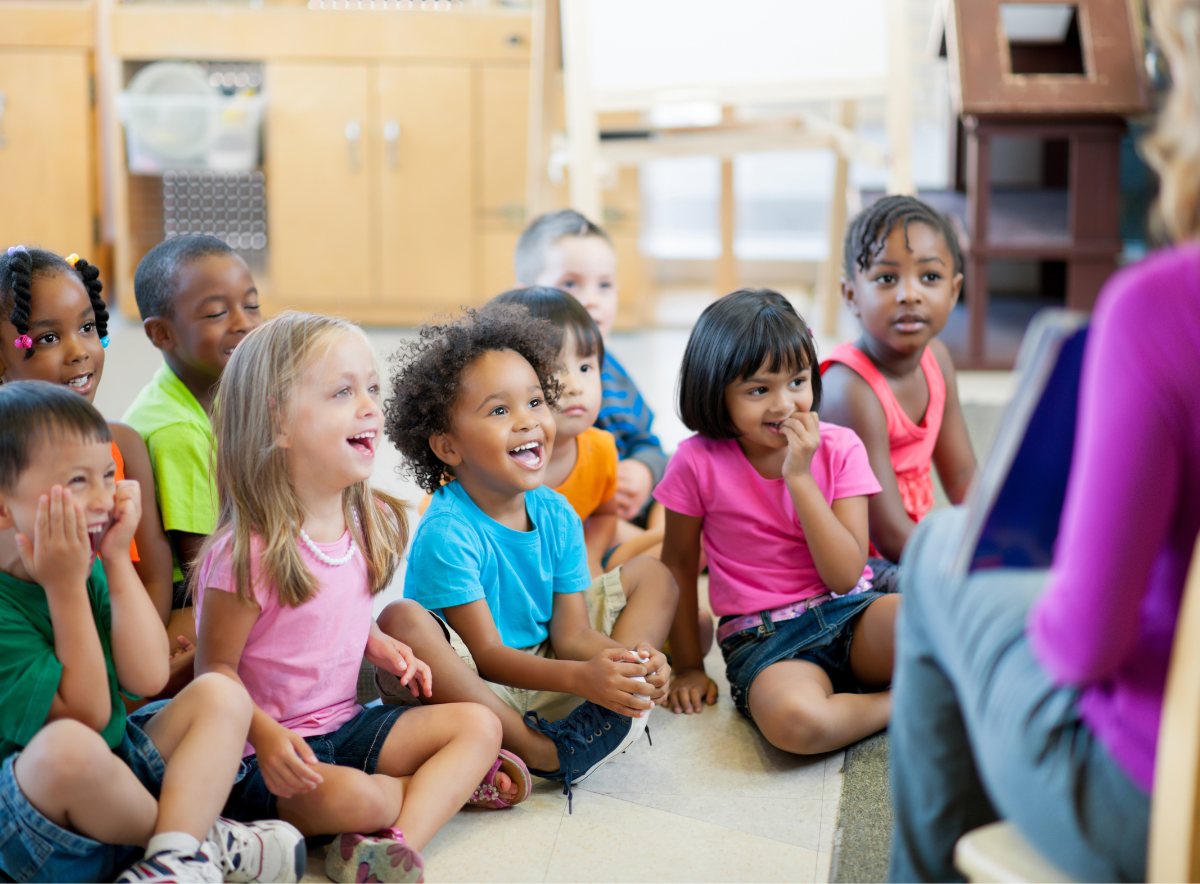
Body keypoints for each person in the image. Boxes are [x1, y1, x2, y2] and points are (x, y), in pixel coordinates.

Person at [887, 1, 1200, 879]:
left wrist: (1063, 575)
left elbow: (1082, 643)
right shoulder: (860, 386)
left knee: (945, 553)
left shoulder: (1162, 310)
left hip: (1161, 804)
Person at [193, 312, 520, 884]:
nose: (370, 406)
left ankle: (392, 846)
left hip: (344, 725)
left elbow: (336, 614)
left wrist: (380, 644)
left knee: (477, 725)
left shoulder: (361, 523)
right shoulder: (245, 553)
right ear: (278, 422)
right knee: (359, 801)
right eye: (343, 392)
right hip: (265, 754)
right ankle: (429, 794)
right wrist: (267, 739)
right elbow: (213, 673)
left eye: (371, 388)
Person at [0, 381, 305, 884]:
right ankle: (196, 841)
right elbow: (87, 716)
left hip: (116, 780)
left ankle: (173, 856)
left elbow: (144, 677)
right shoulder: (40, 588)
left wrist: (117, 560)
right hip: (33, 827)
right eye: (78, 482)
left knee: (222, 693)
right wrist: (65, 589)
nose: (105, 497)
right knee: (67, 748)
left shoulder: (86, 562)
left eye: (107, 474)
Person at [376, 303, 678, 810]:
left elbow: (571, 634)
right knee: (401, 619)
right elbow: (490, 659)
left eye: (536, 402)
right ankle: (534, 748)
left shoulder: (555, 511)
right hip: (480, 687)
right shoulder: (447, 530)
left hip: (547, 666)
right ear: (448, 447)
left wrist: (625, 664)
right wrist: (583, 677)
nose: (528, 422)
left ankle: (615, 701)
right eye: (499, 410)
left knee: (655, 576)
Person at [656, 289, 897, 753]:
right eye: (758, 389)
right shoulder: (694, 462)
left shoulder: (841, 446)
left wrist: (800, 478)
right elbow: (679, 566)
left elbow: (846, 576)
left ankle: (874, 692)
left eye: (797, 382)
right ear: (715, 391)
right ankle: (902, 703)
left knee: (938, 625)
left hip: (851, 611)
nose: (784, 405)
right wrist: (688, 665)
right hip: (764, 640)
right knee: (797, 724)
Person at [0, 247, 180, 674]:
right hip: (38, 657)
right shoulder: (10, 464)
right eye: (47, 338)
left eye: (87, 327)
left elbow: (156, 576)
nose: (79, 350)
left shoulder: (124, 444)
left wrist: (136, 648)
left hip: (123, 634)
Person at [819, 196, 976, 592]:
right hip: (856, 566)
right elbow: (887, 532)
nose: (910, 294)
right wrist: (968, 559)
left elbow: (961, 478)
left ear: (954, 291)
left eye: (930, 277)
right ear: (851, 295)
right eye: (887, 279)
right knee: (953, 592)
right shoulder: (850, 388)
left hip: (905, 546)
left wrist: (998, 536)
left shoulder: (936, 359)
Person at [123, 235, 265, 650]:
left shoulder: (214, 389)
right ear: (162, 334)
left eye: (252, 304)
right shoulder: (175, 430)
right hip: (181, 600)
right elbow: (204, 569)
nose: (243, 322)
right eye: (218, 313)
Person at [490, 287, 663, 572]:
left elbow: (604, 517)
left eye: (586, 367)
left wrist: (590, 558)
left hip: (577, 553)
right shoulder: (489, 457)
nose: (575, 386)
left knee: (674, 561)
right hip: (510, 575)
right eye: (554, 370)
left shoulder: (600, 448)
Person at [515, 210, 667, 533]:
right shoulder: (520, 379)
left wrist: (643, 470)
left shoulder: (615, 371)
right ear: (525, 295)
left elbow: (648, 442)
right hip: (576, 517)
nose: (590, 299)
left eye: (604, 285)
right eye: (570, 283)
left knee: (687, 487)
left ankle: (665, 546)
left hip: (625, 503)